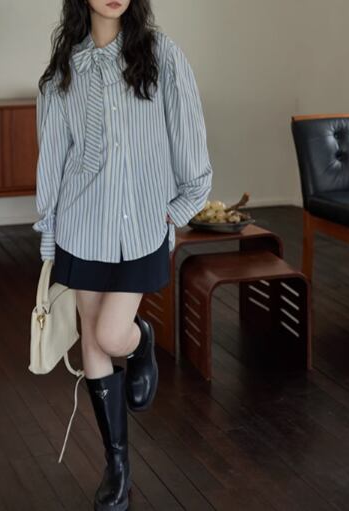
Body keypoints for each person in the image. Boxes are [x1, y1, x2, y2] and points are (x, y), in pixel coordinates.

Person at [33, 0, 213, 509]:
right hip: (81, 224)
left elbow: (188, 134)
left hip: (143, 224)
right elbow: (54, 156)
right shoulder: (64, 70)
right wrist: (49, 232)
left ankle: (139, 342)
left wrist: (180, 207)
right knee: (92, 339)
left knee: (112, 335)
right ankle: (117, 466)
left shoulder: (162, 55)